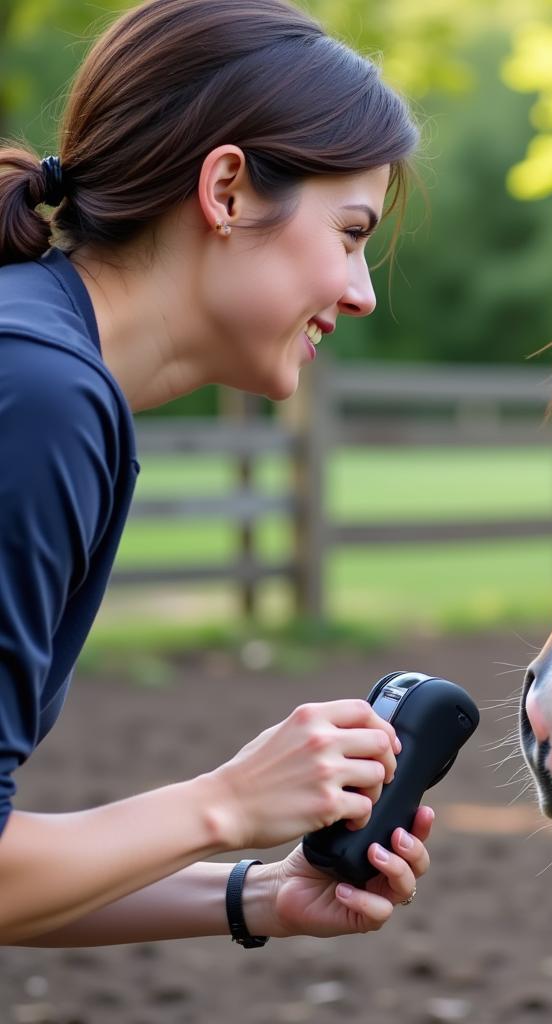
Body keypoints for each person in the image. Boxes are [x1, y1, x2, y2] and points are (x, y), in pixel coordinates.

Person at [0, 0, 433, 947]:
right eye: (352, 234)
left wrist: (253, 894)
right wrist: (229, 801)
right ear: (228, 189)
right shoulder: (38, 397)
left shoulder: (41, 363)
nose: (361, 293)